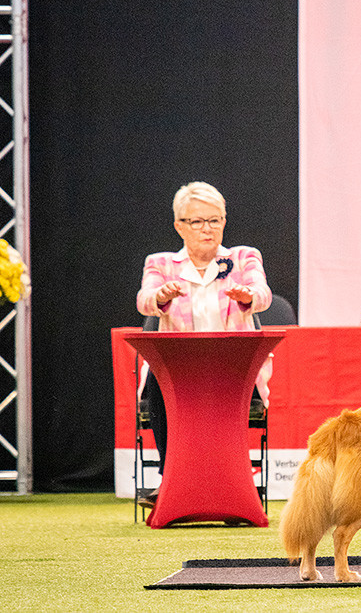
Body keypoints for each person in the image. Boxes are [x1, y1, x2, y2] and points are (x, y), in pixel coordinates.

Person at [135, 181, 273, 508]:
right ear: (179, 226)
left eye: (215, 220)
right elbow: (143, 300)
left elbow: (263, 294)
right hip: (179, 371)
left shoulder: (243, 257)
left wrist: (249, 297)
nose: (207, 229)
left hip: (234, 367)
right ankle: (169, 481)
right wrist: (161, 297)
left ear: (224, 222)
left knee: (231, 382)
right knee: (158, 378)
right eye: (196, 222)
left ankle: (236, 483)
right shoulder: (161, 263)